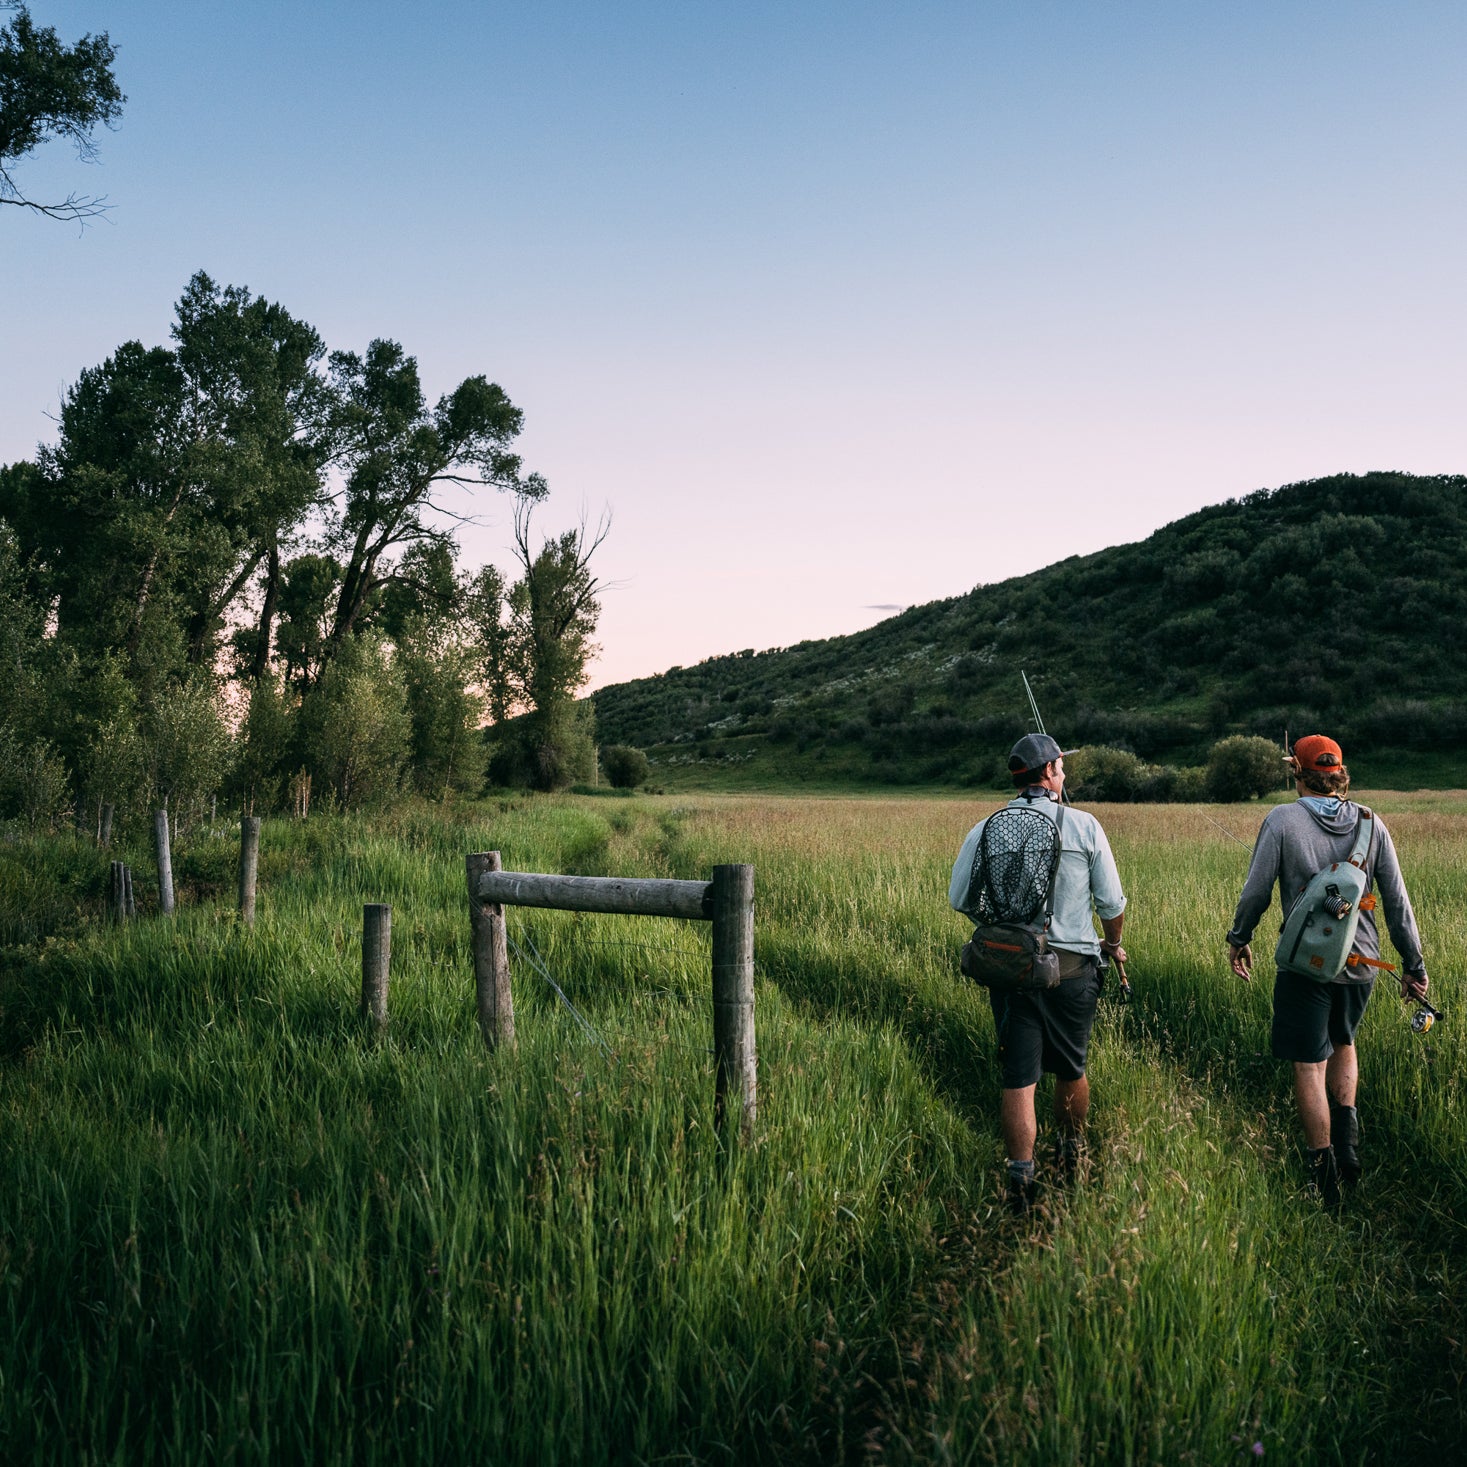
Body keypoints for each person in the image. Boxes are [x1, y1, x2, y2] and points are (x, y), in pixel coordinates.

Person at [1226, 734, 1428, 1208]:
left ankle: (1323, 1174)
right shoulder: (1372, 823)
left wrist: (1239, 937)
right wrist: (1413, 965)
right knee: (1344, 1041)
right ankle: (1348, 1146)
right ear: (1339, 775)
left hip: (1306, 964)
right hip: (1362, 963)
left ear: (1297, 774)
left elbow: (1256, 891)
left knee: (1308, 1062)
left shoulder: (1282, 820)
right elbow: (1397, 902)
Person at [949, 733, 1128, 1214]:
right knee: (1071, 1068)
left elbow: (960, 898)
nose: (1064, 774)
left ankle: (1020, 1182)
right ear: (1048, 773)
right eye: (1060, 767)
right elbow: (1111, 904)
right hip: (1071, 972)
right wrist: (1112, 944)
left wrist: (1005, 930)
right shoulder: (1084, 825)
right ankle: (1070, 1157)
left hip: (1012, 971)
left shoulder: (985, 828)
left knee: (1018, 1076)